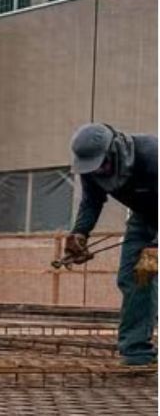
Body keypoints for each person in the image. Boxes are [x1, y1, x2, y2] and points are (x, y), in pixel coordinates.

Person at [65, 123, 157, 366]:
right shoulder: (91, 166)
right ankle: (136, 353)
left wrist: (156, 247)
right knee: (136, 277)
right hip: (144, 218)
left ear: (115, 151)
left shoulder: (151, 155)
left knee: (150, 264)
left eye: (102, 165)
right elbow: (91, 202)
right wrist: (80, 233)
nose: (99, 172)